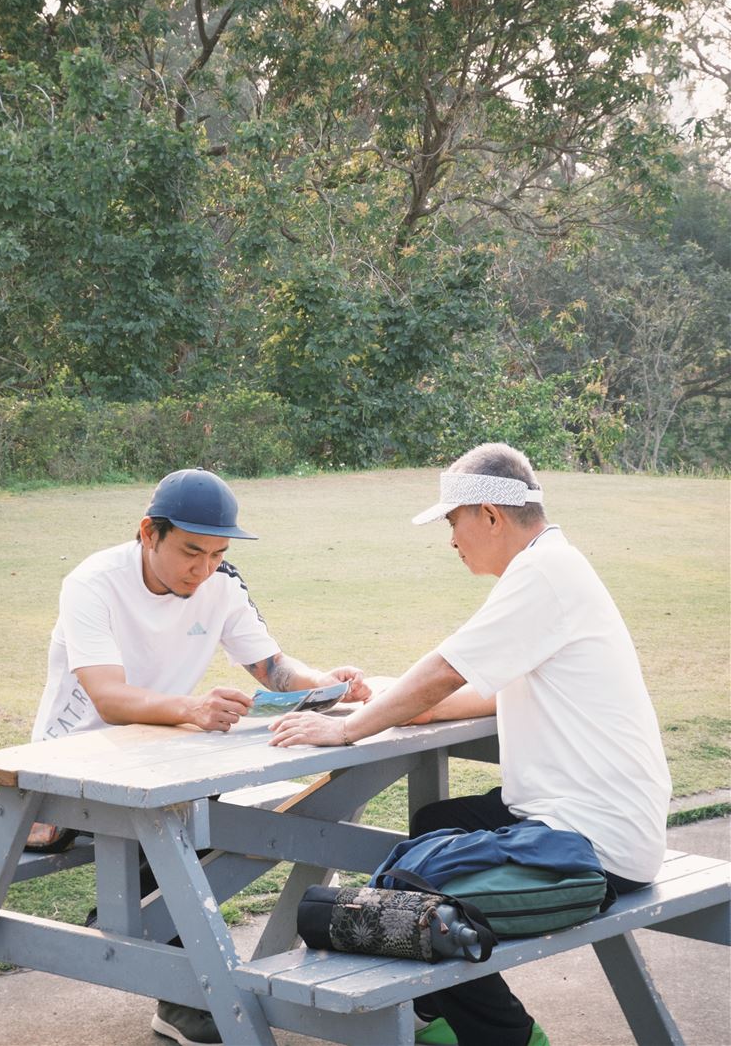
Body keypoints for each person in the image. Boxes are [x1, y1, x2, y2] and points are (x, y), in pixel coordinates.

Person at [269, 442, 672, 1046]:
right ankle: (437, 1015)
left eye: (453, 521)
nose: (451, 539)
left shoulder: (543, 575)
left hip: (592, 843)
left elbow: (447, 670)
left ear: (489, 514)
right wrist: (375, 699)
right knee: (436, 822)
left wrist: (347, 729)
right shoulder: (552, 565)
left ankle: (506, 1037)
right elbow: (472, 693)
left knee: (409, 903)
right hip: (586, 820)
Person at [31, 467, 370, 1046]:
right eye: (192, 551)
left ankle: (152, 940)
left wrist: (328, 685)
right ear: (149, 532)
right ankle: (175, 976)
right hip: (71, 767)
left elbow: (273, 668)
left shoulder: (221, 584)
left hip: (163, 758)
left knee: (243, 820)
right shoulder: (93, 582)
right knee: (189, 822)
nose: (205, 568)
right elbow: (108, 698)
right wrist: (192, 709)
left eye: (218, 554)